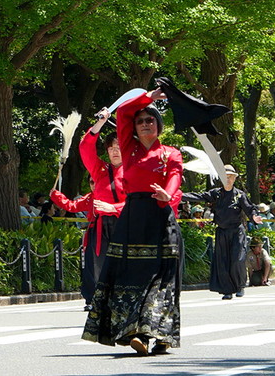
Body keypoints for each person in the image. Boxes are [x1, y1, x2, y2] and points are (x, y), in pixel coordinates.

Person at [83, 90, 184, 356]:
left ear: (159, 126)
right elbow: (123, 112)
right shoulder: (129, 148)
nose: (145, 123)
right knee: (131, 275)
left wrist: (168, 195)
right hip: (133, 217)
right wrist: (149, 96)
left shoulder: (171, 153)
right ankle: (134, 332)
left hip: (161, 217)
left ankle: (161, 335)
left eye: (150, 120)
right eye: (140, 122)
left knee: (162, 278)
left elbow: (175, 176)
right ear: (134, 129)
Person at [50, 112, 125, 310]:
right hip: (101, 226)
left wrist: (114, 208)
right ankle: (103, 303)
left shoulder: (135, 170)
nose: (115, 151)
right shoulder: (100, 170)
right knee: (100, 266)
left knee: (126, 265)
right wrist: (99, 122)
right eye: (111, 148)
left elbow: (139, 202)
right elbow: (85, 147)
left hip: (126, 224)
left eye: (119, 147)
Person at [184, 163, 261, 300]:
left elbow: (250, 209)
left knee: (238, 259)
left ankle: (240, 286)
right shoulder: (216, 194)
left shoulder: (240, 195)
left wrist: (254, 217)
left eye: (231, 176)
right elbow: (199, 196)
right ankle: (227, 290)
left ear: (234, 178)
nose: (228, 179)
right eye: (225, 176)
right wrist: (179, 195)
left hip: (237, 231)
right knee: (223, 261)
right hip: (222, 232)